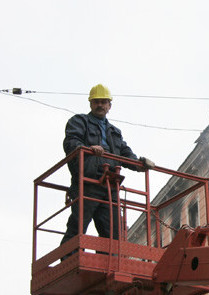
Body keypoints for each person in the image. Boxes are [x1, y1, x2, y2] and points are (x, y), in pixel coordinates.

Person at [60, 84, 154, 250]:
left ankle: (107, 262)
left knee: (113, 232)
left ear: (110, 105)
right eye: (97, 102)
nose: (100, 105)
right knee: (79, 223)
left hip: (110, 184)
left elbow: (124, 153)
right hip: (87, 181)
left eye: (104, 102)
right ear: (90, 104)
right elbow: (71, 142)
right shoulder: (79, 121)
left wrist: (140, 164)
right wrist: (89, 149)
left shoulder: (114, 131)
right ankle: (68, 257)